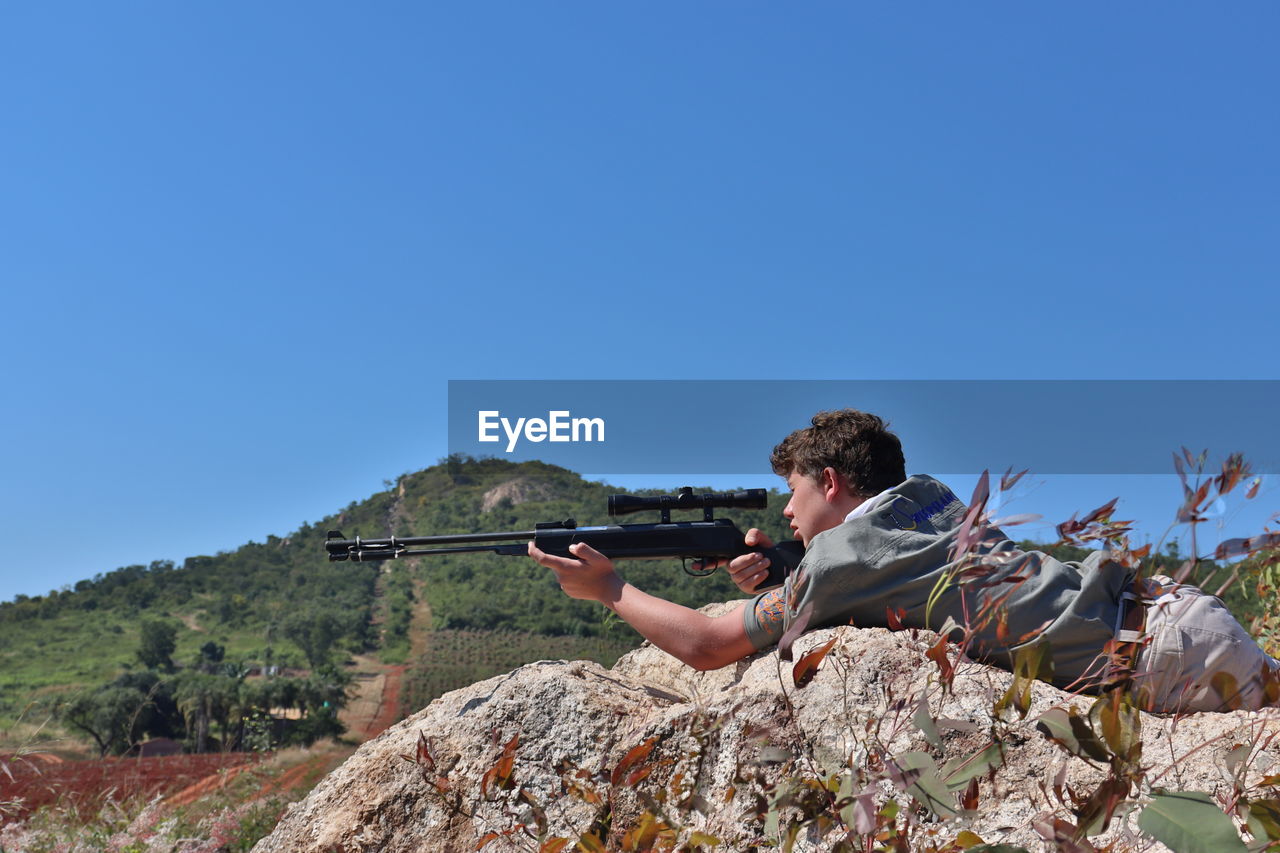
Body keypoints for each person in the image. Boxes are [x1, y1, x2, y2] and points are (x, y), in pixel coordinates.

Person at [529, 409, 1280, 713]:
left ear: (830, 481)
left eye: (795, 494)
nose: (787, 513)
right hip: (1179, 615)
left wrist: (610, 585)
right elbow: (900, 565)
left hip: (1164, 662)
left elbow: (706, 644)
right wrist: (792, 571)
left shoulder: (844, 557)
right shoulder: (927, 494)